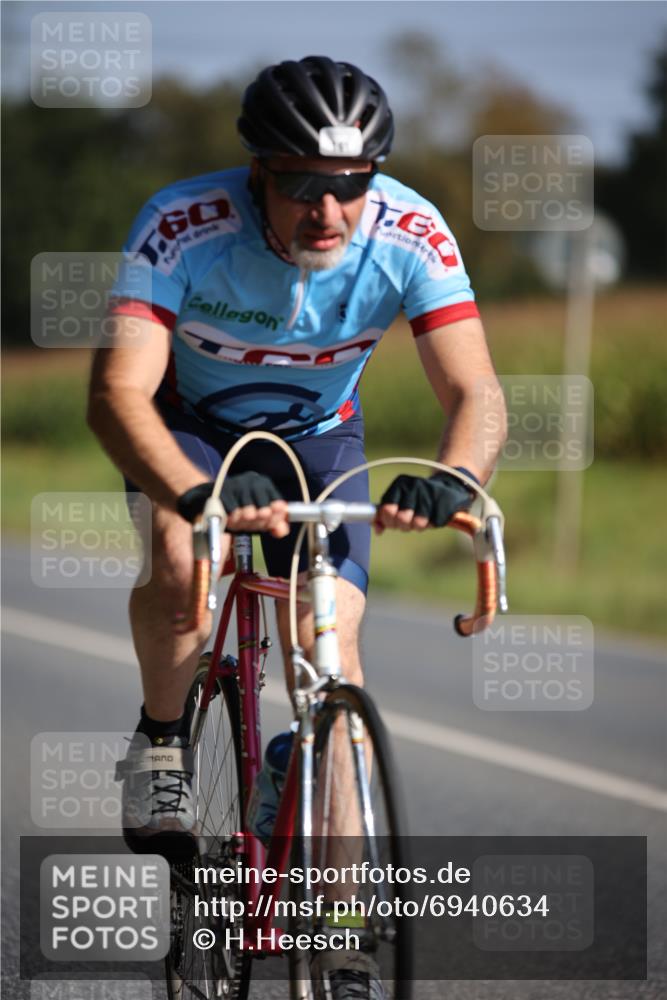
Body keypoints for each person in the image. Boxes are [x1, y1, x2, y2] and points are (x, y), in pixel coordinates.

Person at [88, 55, 506, 999]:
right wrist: (194, 498)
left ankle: (345, 924)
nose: (326, 212)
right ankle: (161, 740)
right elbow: (115, 395)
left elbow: (475, 388)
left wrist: (454, 475)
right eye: (300, 186)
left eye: (349, 188)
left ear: (374, 181)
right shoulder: (181, 224)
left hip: (317, 441)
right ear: (257, 174)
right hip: (186, 429)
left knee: (333, 654)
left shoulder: (410, 231)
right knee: (180, 568)